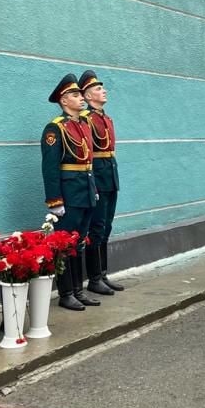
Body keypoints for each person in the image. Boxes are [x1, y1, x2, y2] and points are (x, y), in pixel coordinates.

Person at [41, 74, 100, 311]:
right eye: (75, 95)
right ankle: (66, 293)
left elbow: (89, 162)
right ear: (64, 100)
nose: (81, 98)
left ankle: (78, 290)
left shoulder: (83, 125)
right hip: (68, 193)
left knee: (79, 243)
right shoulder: (55, 128)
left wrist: (93, 189)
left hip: (84, 190)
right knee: (65, 245)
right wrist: (54, 200)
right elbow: (49, 167)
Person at [80, 70, 123, 297]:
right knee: (96, 230)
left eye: (102, 88)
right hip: (97, 178)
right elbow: (86, 154)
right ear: (87, 96)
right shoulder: (86, 120)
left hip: (110, 176)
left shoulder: (106, 118)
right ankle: (94, 278)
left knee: (106, 227)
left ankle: (103, 273)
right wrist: (92, 184)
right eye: (98, 89)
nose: (103, 91)